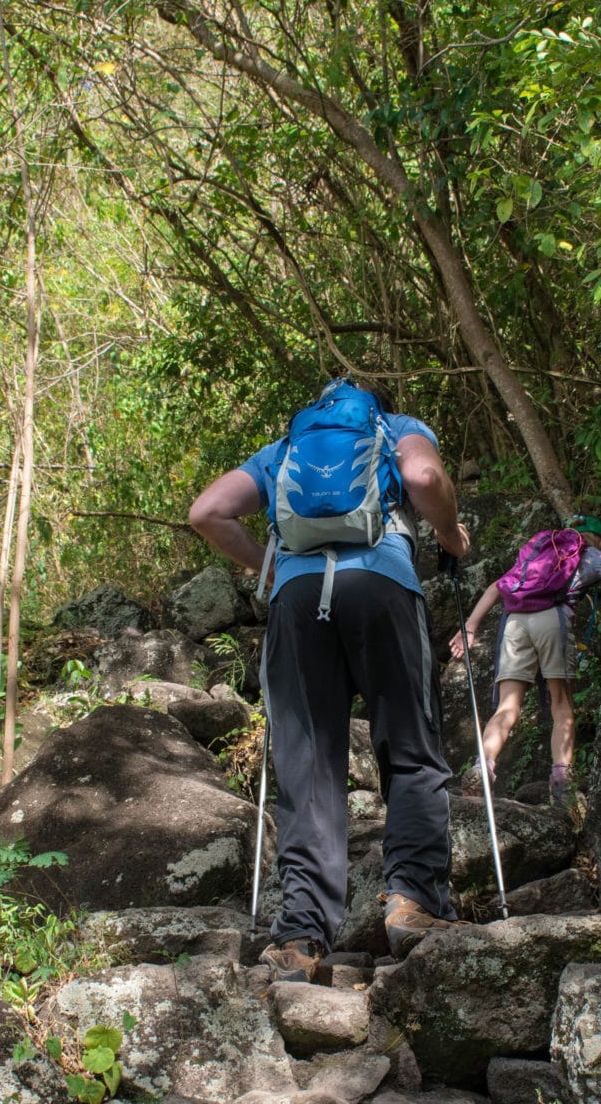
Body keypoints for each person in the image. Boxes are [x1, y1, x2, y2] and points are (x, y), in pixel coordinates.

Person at [189, 378, 470, 980]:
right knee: (411, 746)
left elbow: (206, 512)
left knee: (306, 762)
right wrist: (450, 535)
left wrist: (271, 569)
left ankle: (300, 935)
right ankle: (414, 902)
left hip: (296, 600)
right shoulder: (395, 428)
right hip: (383, 586)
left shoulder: (285, 448)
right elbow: (423, 480)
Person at [449, 516, 601, 805]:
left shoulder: (542, 550)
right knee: (561, 703)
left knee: (507, 706)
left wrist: (470, 626)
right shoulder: (590, 553)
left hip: (514, 621)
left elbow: (499, 586)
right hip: (552, 618)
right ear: (600, 539)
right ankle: (562, 780)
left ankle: (482, 766)